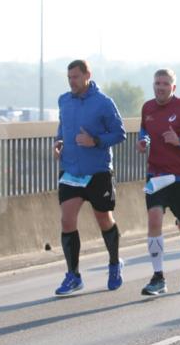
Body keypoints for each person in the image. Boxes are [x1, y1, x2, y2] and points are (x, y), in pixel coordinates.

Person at [53, 60, 126, 296]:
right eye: (69, 78)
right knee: (66, 220)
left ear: (87, 75)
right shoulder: (64, 100)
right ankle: (73, 275)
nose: (72, 82)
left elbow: (119, 133)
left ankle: (114, 264)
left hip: (97, 171)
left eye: (75, 77)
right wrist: (58, 143)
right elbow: (62, 127)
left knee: (104, 219)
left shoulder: (104, 103)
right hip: (71, 171)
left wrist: (95, 141)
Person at [136, 69, 180, 295]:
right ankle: (158, 278)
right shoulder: (147, 108)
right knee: (154, 218)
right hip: (156, 175)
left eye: (165, 83)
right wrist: (142, 141)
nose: (160, 87)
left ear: (173, 87)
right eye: (157, 83)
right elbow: (144, 131)